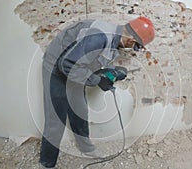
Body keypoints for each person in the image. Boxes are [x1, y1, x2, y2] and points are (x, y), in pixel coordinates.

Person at [39, 16, 155, 168]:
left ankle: (85, 148)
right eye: (136, 47)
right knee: (56, 117)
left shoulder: (114, 41)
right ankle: (47, 162)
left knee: (79, 109)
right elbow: (66, 64)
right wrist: (96, 80)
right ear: (131, 40)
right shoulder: (99, 37)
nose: (133, 49)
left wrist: (108, 72)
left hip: (74, 69)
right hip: (56, 68)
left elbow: (88, 60)